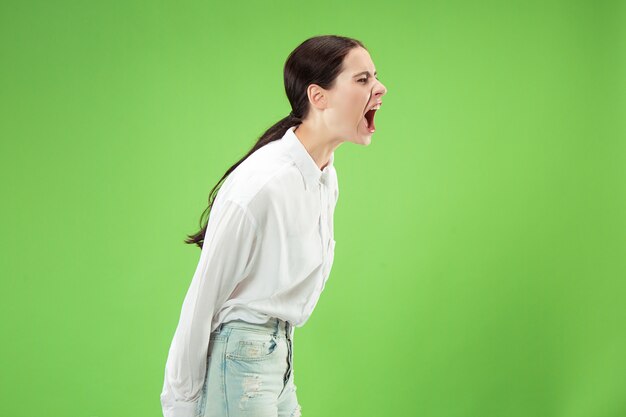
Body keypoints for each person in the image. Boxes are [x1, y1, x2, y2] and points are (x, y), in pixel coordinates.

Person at [160, 34, 388, 417]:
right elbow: (202, 299)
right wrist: (180, 405)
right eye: (362, 80)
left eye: (375, 77)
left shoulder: (324, 178)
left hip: (276, 356)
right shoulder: (262, 185)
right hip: (241, 361)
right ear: (319, 97)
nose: (380, 88)